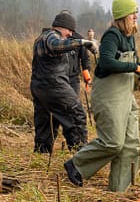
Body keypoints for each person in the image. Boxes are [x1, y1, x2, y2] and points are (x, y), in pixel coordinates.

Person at [64, 0, 140, 192]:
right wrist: (134, 67)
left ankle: (120, 190)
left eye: (136, 12)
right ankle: (76, 165)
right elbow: (106, 62)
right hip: (109, 97)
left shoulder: (130, 37)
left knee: (130, 145)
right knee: (113, 143)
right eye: (132, 13)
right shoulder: (112, 35)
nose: (136, 16)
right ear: (122, 16)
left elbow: (134, 60)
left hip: (126, 97)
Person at [30, 11, 97, 153]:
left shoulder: (40, 38)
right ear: (61, 26)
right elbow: (57, 45)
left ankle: (42, 156)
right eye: (70, 30)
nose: (71, 34)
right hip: (55, 87)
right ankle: (80, 157)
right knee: (77, 115)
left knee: (46, 123)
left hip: (39, 88)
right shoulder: (51, 37)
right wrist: (84, 42)